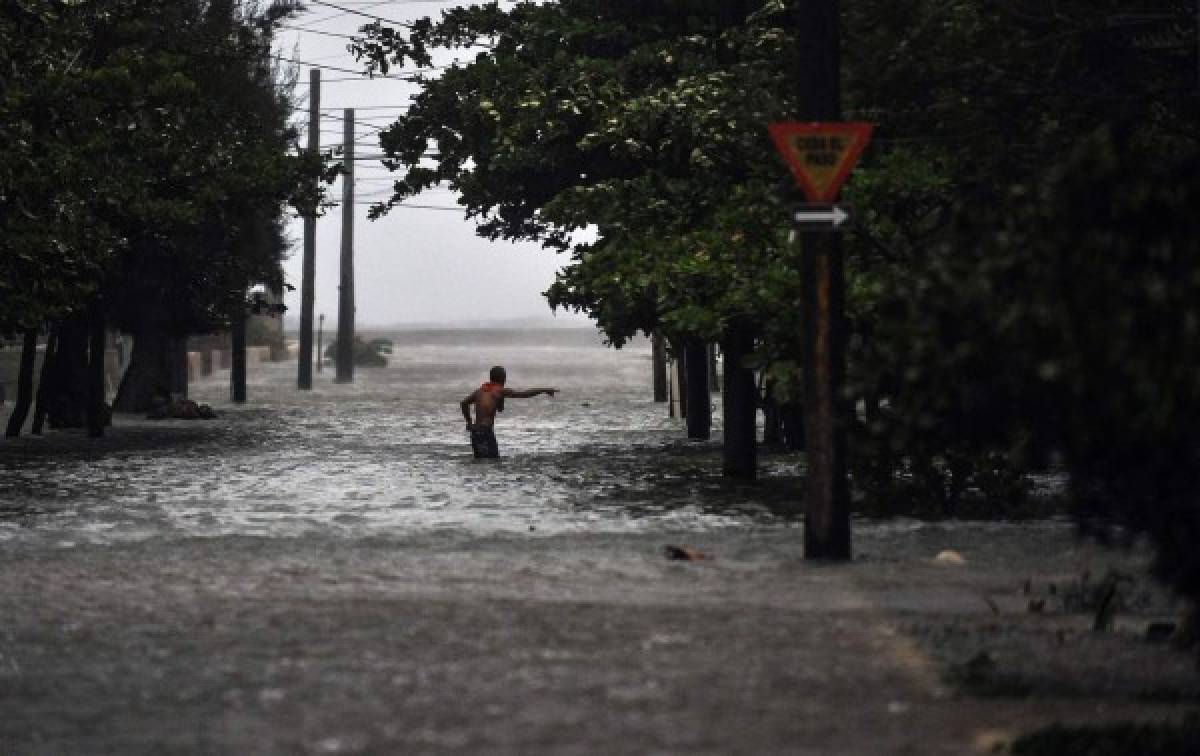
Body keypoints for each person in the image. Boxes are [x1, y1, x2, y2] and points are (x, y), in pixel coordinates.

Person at [459, 366, 557, 458]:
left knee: (480, 461)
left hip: (475, 431)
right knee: (493, 462)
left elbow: (464, 403)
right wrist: (545, 390)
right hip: (485, 431)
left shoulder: (480, 391)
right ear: (503, 379)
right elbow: (524, 394)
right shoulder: (500, 391)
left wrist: (469, 422)